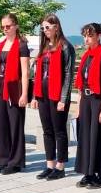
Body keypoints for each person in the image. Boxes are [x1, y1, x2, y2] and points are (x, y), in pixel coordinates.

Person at [30, 14, 75, 180]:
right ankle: (49, 164)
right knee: (47, 130)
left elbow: (69, 74)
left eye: (47, 27)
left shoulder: (65, 46)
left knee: (59, 130)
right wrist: (34, 96)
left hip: (58, 96)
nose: (45, 30)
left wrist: (64, 99)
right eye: (42, 28)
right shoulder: (44, 47)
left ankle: (61, 166)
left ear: (56, 26)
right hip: (43, 94)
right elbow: (38, 74)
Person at [73, 23, 101, 189]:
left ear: (99, 36)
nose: (86, 39)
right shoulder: (86, 56)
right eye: (84, 35)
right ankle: (88, 172)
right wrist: (78, 105)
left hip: (98, 101)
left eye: (90, 35)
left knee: (98, 137)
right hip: (86, 100)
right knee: (86, 137)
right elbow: (81, 84)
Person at [0, 13, 30, 175]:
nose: (5, 29)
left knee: (15, 126)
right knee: (1, 126)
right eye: (3, 27)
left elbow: (25, 72)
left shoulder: (21, 46)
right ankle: (3, 159)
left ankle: (16, 162)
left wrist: (24, 94)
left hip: (14, 89)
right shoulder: (0, 45)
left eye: (8, 26)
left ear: (16, 26)